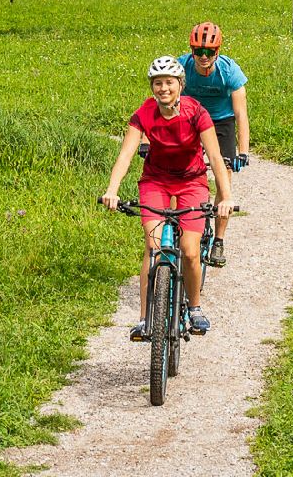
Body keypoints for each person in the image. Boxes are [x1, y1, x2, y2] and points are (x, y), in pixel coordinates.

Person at [99, 55, 233, 339]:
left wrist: (225, 198)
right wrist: (112, 189)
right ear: (152, 87)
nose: (163, 88)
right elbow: (125, 155)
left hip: (192, 183)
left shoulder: (197, 113)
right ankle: (146, 318)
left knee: (190, 249)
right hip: (155, 182)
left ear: (180, 84)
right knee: (153, 246)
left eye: (169, 82)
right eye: (157, 83)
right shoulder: (144, 114)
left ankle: (195, 308)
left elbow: (216, 158)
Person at [178, 21, 250, 266]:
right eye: (198, 51)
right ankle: (181, 225)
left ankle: (218, 240)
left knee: (224, 177)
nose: (203, 57)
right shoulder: (182, 67)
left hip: (221, 122)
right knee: (181, 171)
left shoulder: (230, 72)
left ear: (217, 51)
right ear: (191, 50)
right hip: (191, 119)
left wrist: (243, 151)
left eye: (209, 52)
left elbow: (241, 114)